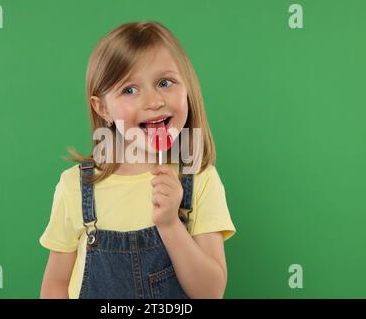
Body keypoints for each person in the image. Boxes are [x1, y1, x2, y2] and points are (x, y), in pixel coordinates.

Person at [39, 20, 236, 299]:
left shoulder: (199, 178)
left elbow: (210, 292)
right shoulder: (75, 187)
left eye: (164, 83)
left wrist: (170, 224)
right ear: (102, 108)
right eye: (129, 89)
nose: (153, 101)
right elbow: (55, 285)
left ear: (187, 87)